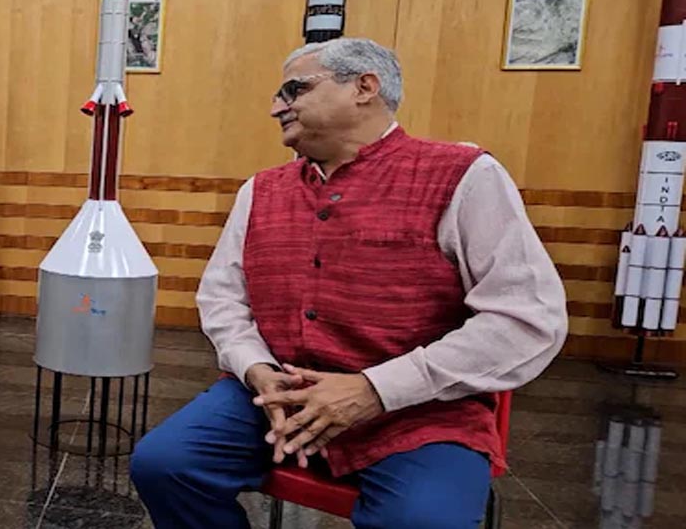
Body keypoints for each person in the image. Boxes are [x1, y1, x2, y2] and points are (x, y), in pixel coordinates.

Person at [129, 37, 567, 528]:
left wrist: (376, 389)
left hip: (418, 411)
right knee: (165, 465)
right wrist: (255, 369)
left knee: (421, 521)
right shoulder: (261, 191)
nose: (276, 107)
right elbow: (222, 298)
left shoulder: (464, 176)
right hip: (276, 394)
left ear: (364, 87)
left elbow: (527, 319)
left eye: (294, 89)